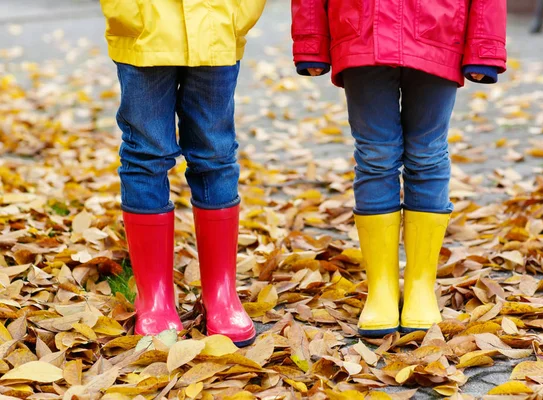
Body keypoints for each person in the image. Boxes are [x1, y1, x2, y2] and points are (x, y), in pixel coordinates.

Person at [291, 0, 506, 336]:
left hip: (439, 26)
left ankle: (421, 284)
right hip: (360, 29)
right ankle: (382, 288)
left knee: (428, 154)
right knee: (375, 156)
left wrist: (484, 46)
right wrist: (311, 39)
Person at [99, 0, 266, 346]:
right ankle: (154, 299)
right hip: (145, 24)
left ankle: (221, 295)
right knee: (146, 153)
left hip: (218, 21)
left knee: (216, 154)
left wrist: (241, 11)